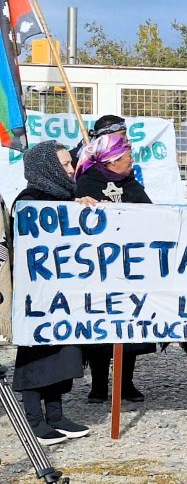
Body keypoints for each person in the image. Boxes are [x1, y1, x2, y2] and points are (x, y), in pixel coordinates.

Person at [12, 141, 91, 445]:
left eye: (71, 164)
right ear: (48, 168)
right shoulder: (29, 202)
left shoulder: (67, 198)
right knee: (36, 354)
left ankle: (56, 416)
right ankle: (34, 420)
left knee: (64, 354)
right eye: (65, 165)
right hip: (38, 297)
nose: (72, 170)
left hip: (64, 295)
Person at [74, 133, 154, 403]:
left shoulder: (131, 183)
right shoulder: (87, 183)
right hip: (98, 270)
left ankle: (125, 383)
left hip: (129, 268)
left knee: (128, 329)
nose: (132, 161)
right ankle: (98, 385)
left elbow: (149, 214)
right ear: (112, 161)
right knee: (100, 329)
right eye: (128, 157)